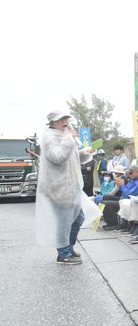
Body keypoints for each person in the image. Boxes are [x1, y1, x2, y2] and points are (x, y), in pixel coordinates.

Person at [35, 110, 92, 264]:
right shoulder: (49, 138)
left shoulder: (65, 136)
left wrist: (85, 154)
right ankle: (63, 254)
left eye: (66, 119)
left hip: (71, 187)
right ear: (52, 122)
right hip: (58, 189)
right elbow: (58, 157)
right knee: (64, 221)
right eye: (61, 119)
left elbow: (71, 158)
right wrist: (69, 139)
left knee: (78, 219)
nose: (65, 122)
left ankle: (68, 247)